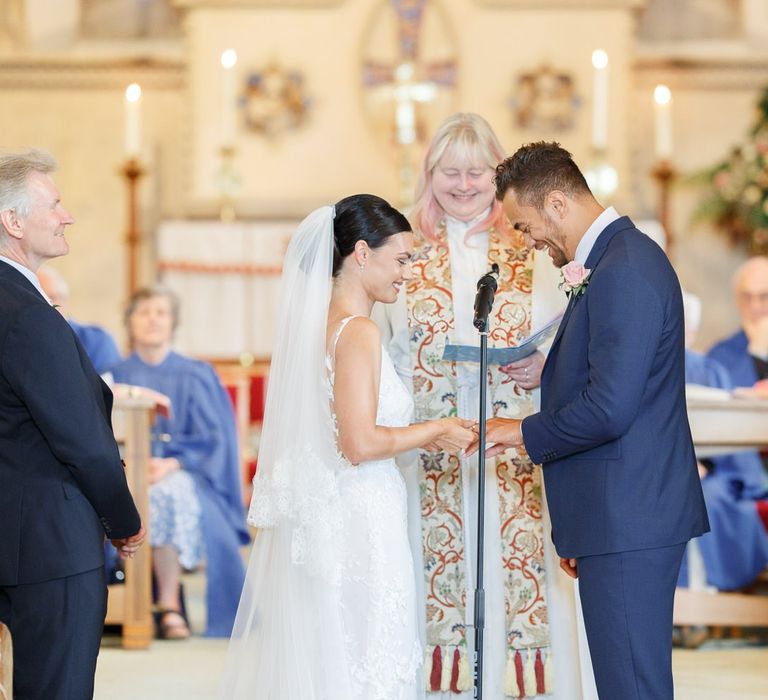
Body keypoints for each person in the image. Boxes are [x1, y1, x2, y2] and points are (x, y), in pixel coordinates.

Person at [220, 194, 475, 699]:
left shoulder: (319, 325)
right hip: (362, 517)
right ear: (361, 253)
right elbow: (358, 442)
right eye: (401, 259)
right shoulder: (357, 331)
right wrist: (435, 429)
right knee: (369, 650)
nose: (407, 273)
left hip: (334, 512)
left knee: (335, 647)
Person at [374, 113, 593, 699]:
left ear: (497, 178)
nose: (465, 185)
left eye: (477, 172)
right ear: (430, 175)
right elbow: (388, 355)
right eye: (451, 172)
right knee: (439, 572)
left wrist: (545, 368)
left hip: (517, 452)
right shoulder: (407, 257)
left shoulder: (531, 252)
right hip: (432, 459)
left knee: (516, 575)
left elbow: (570, 343)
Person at [480, 142, 709, 699]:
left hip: (630, 516)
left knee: (632, 686)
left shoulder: (623, 270)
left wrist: (521, 433)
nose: (526, 241)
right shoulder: (616, 261)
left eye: (525, 225)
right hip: (620, 514)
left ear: (556, 202)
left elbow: (610, 407)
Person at [0, 149, 144, 699]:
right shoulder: (30, 316)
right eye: (54, 204)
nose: (68, 216)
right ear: (13, 222)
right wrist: (123, 520)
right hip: (50, 548)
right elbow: (84, 443)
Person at [110, 285, 249, 638]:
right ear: (130, 322)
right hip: (125, 473)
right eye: (144, 312)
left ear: (173, 322)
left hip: (189, 475)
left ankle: (168, 603)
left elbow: (214, 438)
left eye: (161, 312)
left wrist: (173, 464)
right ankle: (130, 605)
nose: (153, 319)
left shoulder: (196, 374)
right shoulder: (113, 376)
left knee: (165, 494)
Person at [37, 265, 122, 374]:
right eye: (37, 298)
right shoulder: (19, 342)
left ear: (65, 301)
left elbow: (107, 388)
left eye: (52, 298)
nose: (46, 305)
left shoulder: (97, 341)